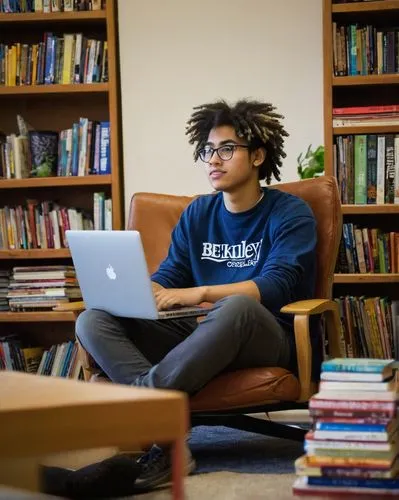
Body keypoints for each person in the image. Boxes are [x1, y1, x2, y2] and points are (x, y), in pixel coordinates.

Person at [76, 98, 318, 491]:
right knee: (92, 319)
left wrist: (199, 293)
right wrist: (144, 289)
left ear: (258, 155)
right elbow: (172, 273)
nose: (213, 160)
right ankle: (166, 434)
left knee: (235, 306)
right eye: (208, 150)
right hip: (199, 336)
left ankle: (147, 415)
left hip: (262, 333)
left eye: (227, 149)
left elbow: (277, 284)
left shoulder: (290, 212)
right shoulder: (198, 214)